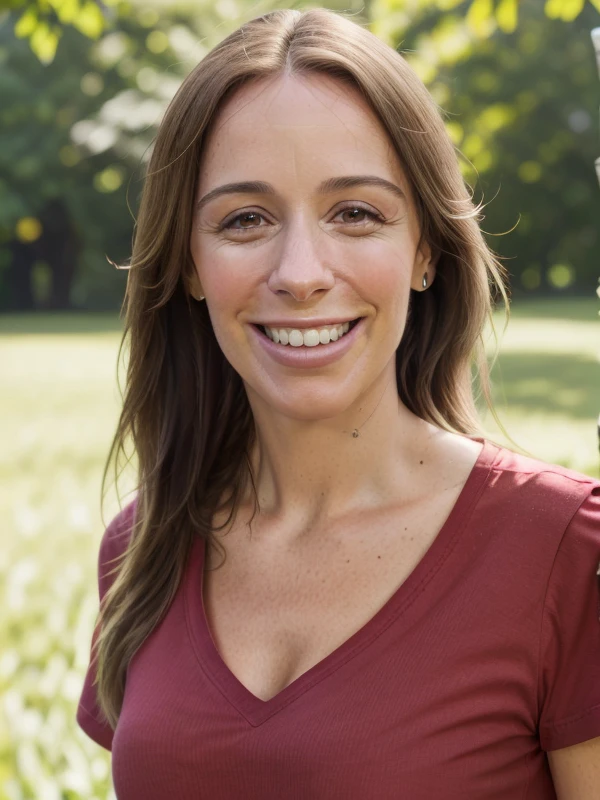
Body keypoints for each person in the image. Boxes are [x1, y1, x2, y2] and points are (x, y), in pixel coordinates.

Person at [76, 7, 600, 798]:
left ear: (424, 249)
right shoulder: (140, 551)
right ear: (187, 264)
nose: (300, 271)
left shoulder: (566, 553)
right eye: (244, 219)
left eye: (356, 212)